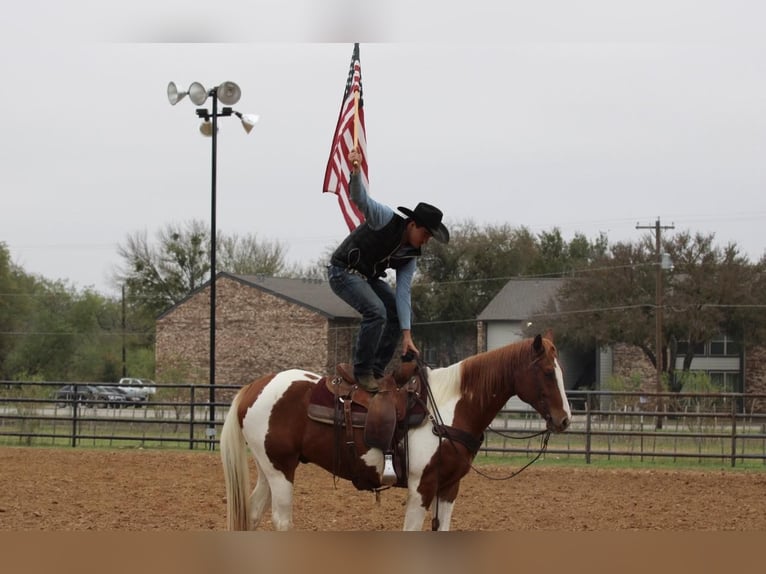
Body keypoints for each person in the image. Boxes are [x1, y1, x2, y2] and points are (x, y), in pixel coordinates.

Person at [328, 148, 449, 392]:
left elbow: (403, 293)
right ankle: (362, 371)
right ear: (412, 224)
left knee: (395, 311)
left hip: (367, 278)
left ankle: (375, 371)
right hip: (343, 272)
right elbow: (361, 199)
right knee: (376, 310)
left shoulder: (410, 256)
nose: (425, 240)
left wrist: (407, 335)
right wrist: (355, 171)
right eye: (425, 234)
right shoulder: (385, 219)